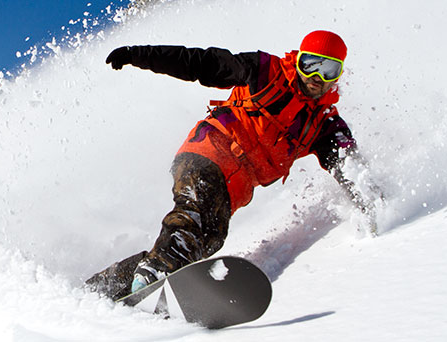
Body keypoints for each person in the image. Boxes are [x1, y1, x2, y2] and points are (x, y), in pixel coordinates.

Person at [86, 30, 376, 301]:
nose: (317, 76)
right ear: (298, 60)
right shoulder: (264, 71)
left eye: (329, 70)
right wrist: (139, 55)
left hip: (234, 187)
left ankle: (111, 283)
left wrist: (375, 206)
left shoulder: (324, 124)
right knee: (193, 214)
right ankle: (155, 273)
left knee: (209, 238)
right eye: (311, 63)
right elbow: (199, 63)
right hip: (207, 153)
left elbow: (350, 167)